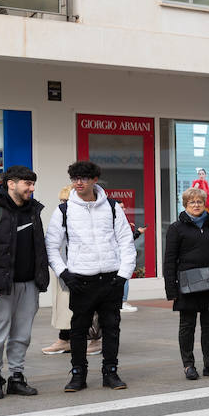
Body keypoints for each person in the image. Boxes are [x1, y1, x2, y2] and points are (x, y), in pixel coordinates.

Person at [45, 160, 136, 392]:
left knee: (111, 328)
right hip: (80, 280)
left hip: (110, 279)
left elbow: (126, 241)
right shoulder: (64, 210)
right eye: (75, 178)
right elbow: (51, 246)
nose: (78, 182)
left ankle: (111, 372)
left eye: (83, 178)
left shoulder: (113, 207)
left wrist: (123, 275)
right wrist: (64, 273)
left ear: (94, 180)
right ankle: (78, 374)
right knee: (78, 330)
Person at [0, 166, 49, 398]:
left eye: (33, 184)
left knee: (22, 335)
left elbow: (39, 248)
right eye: (27, 183)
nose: (32, 188)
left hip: (28, 285)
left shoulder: (33, 211)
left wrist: (40, 279)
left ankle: (16, 377)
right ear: (11, 184)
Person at [163, 188, 209, 381]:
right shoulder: (176, 228)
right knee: (187, 326)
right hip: (187, 285)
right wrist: (171, 288)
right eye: (192, 202)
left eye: (199, 202)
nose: (196, 205)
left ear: (204, 204)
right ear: (185, 205)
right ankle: (188, 365)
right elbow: (169, 260)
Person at [40, 186, 101, 357]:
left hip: (85, 269)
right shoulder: (61, 216)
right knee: (63, 306)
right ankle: (64, 339)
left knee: (90, 306)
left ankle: (94, 340)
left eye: (66, 201)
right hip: (63, 267)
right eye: (61, 201)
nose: (63, 205)